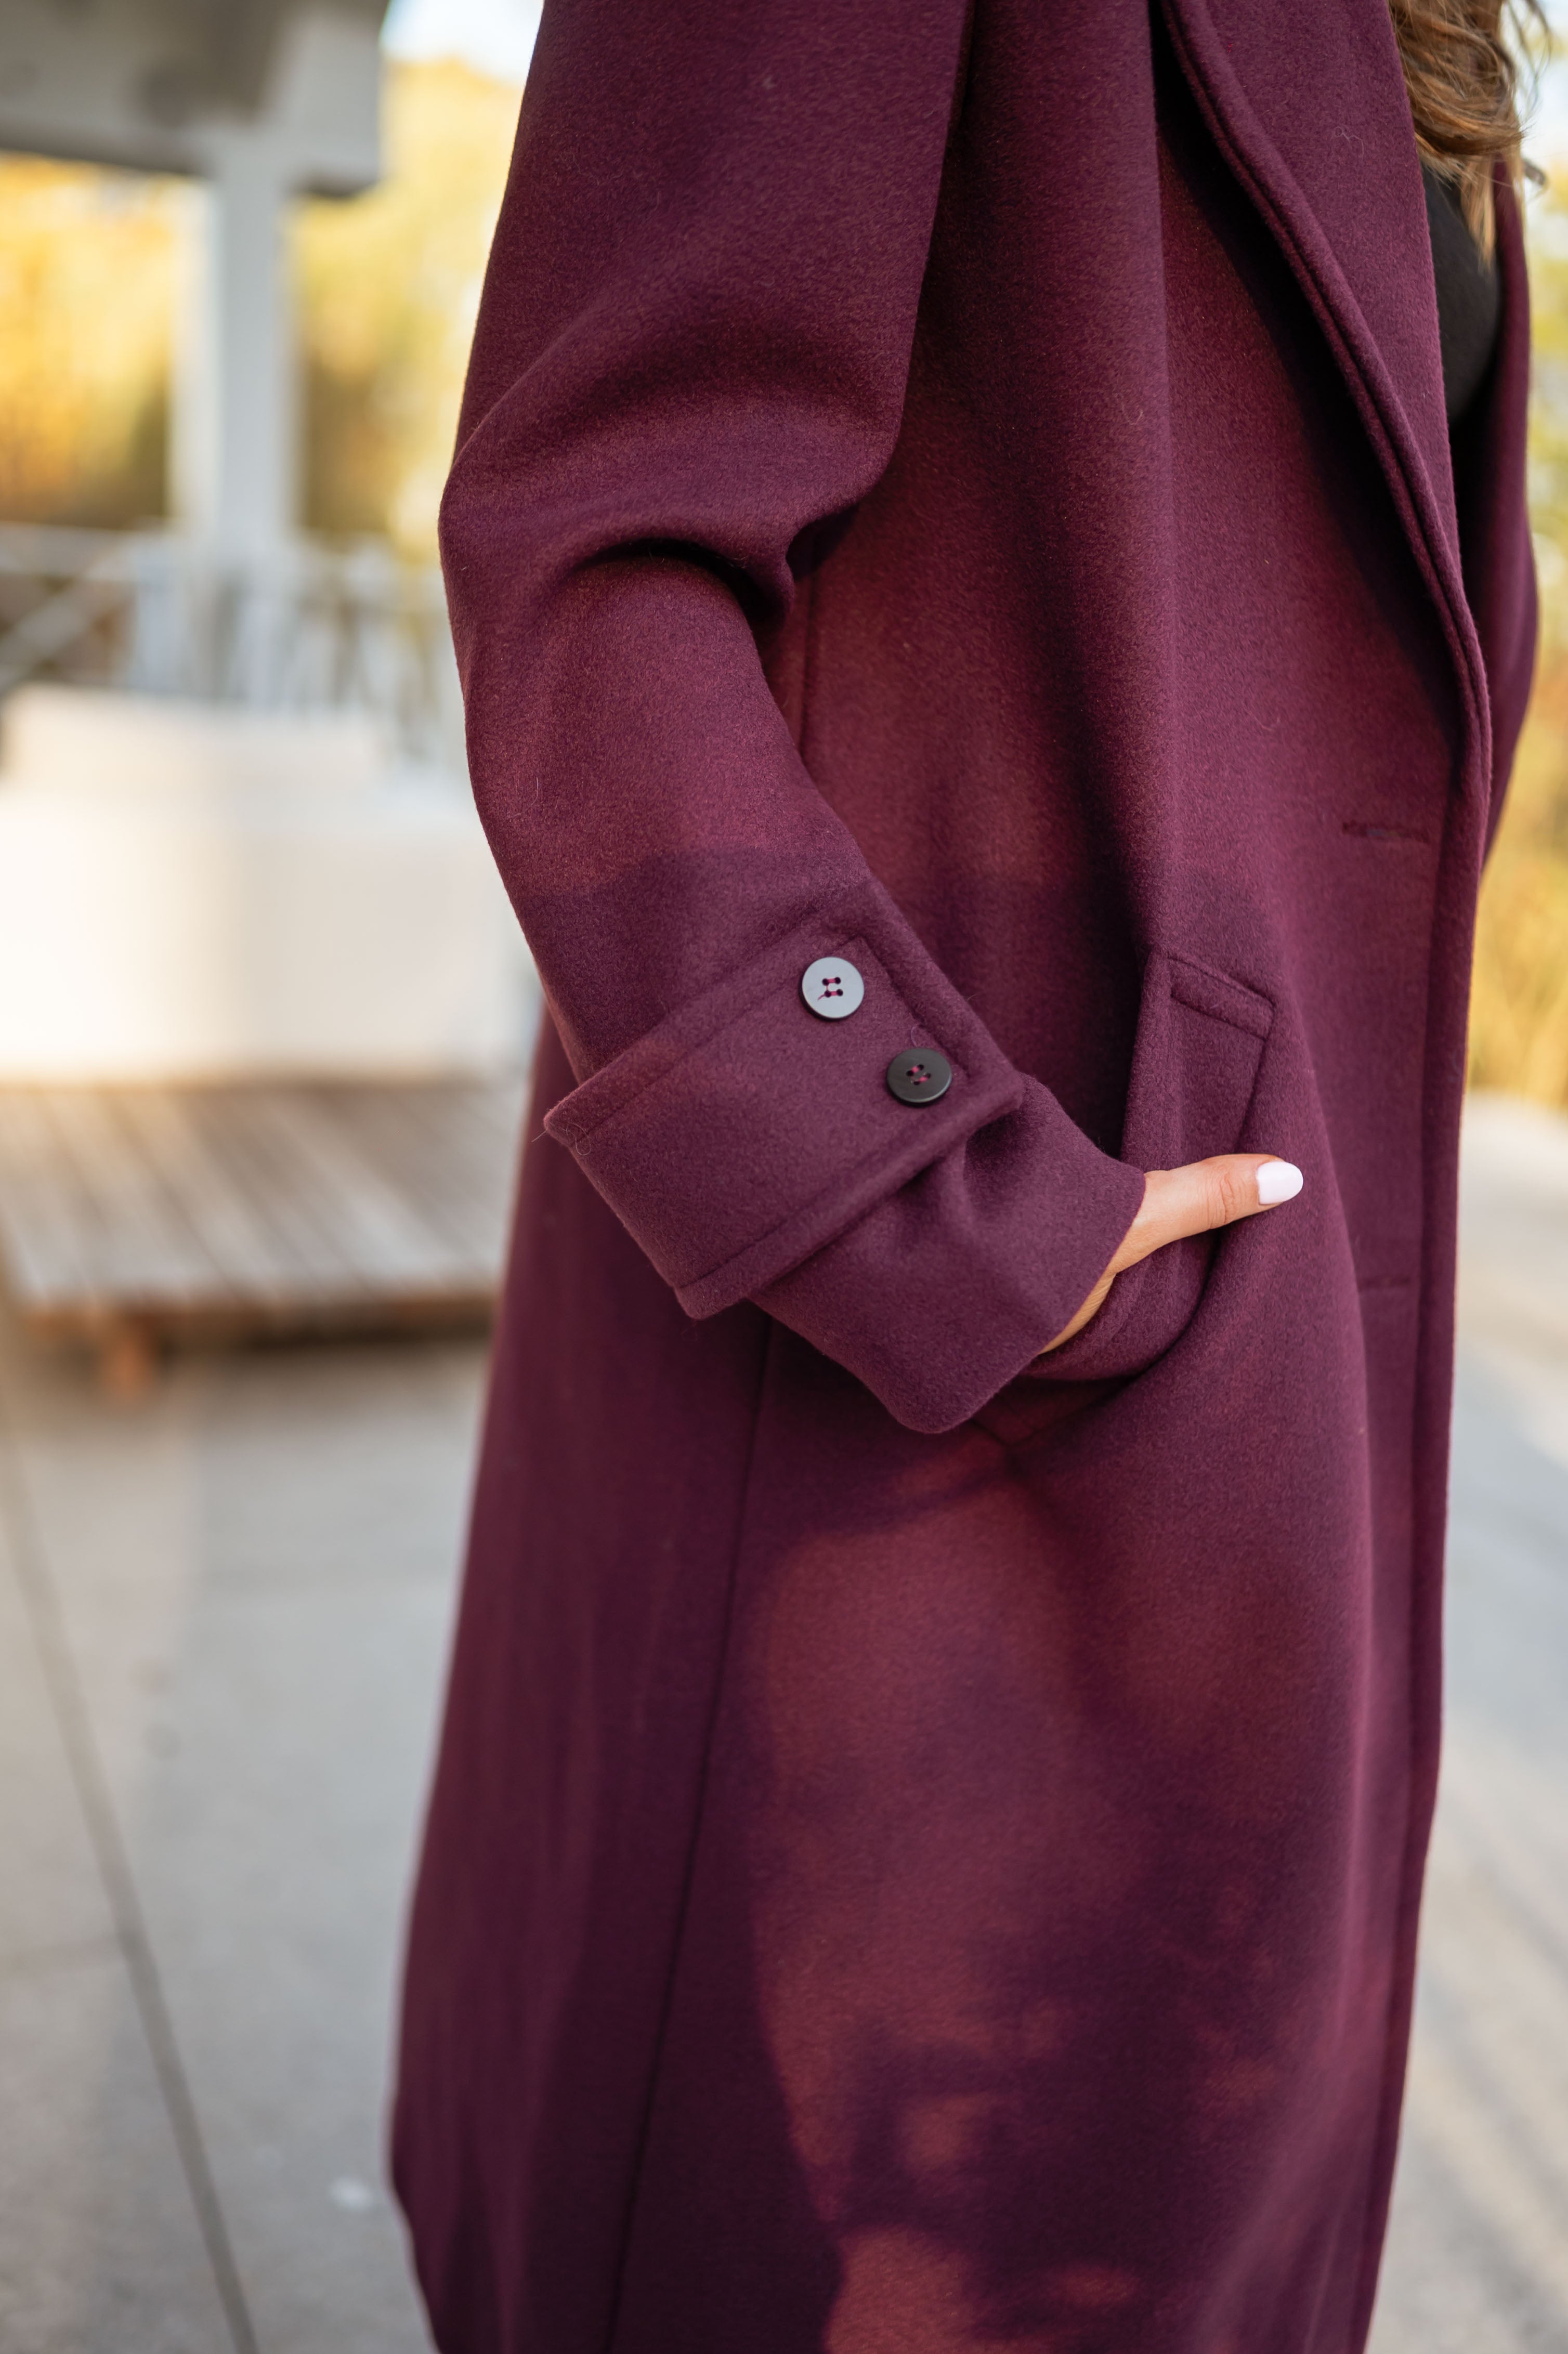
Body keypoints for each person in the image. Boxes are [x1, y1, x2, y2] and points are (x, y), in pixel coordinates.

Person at [393, 1, 1537, 2347]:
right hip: (927, 1401)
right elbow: (591, 552)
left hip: (1240, 1393)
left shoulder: (1441, 37)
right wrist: (943, 1199)